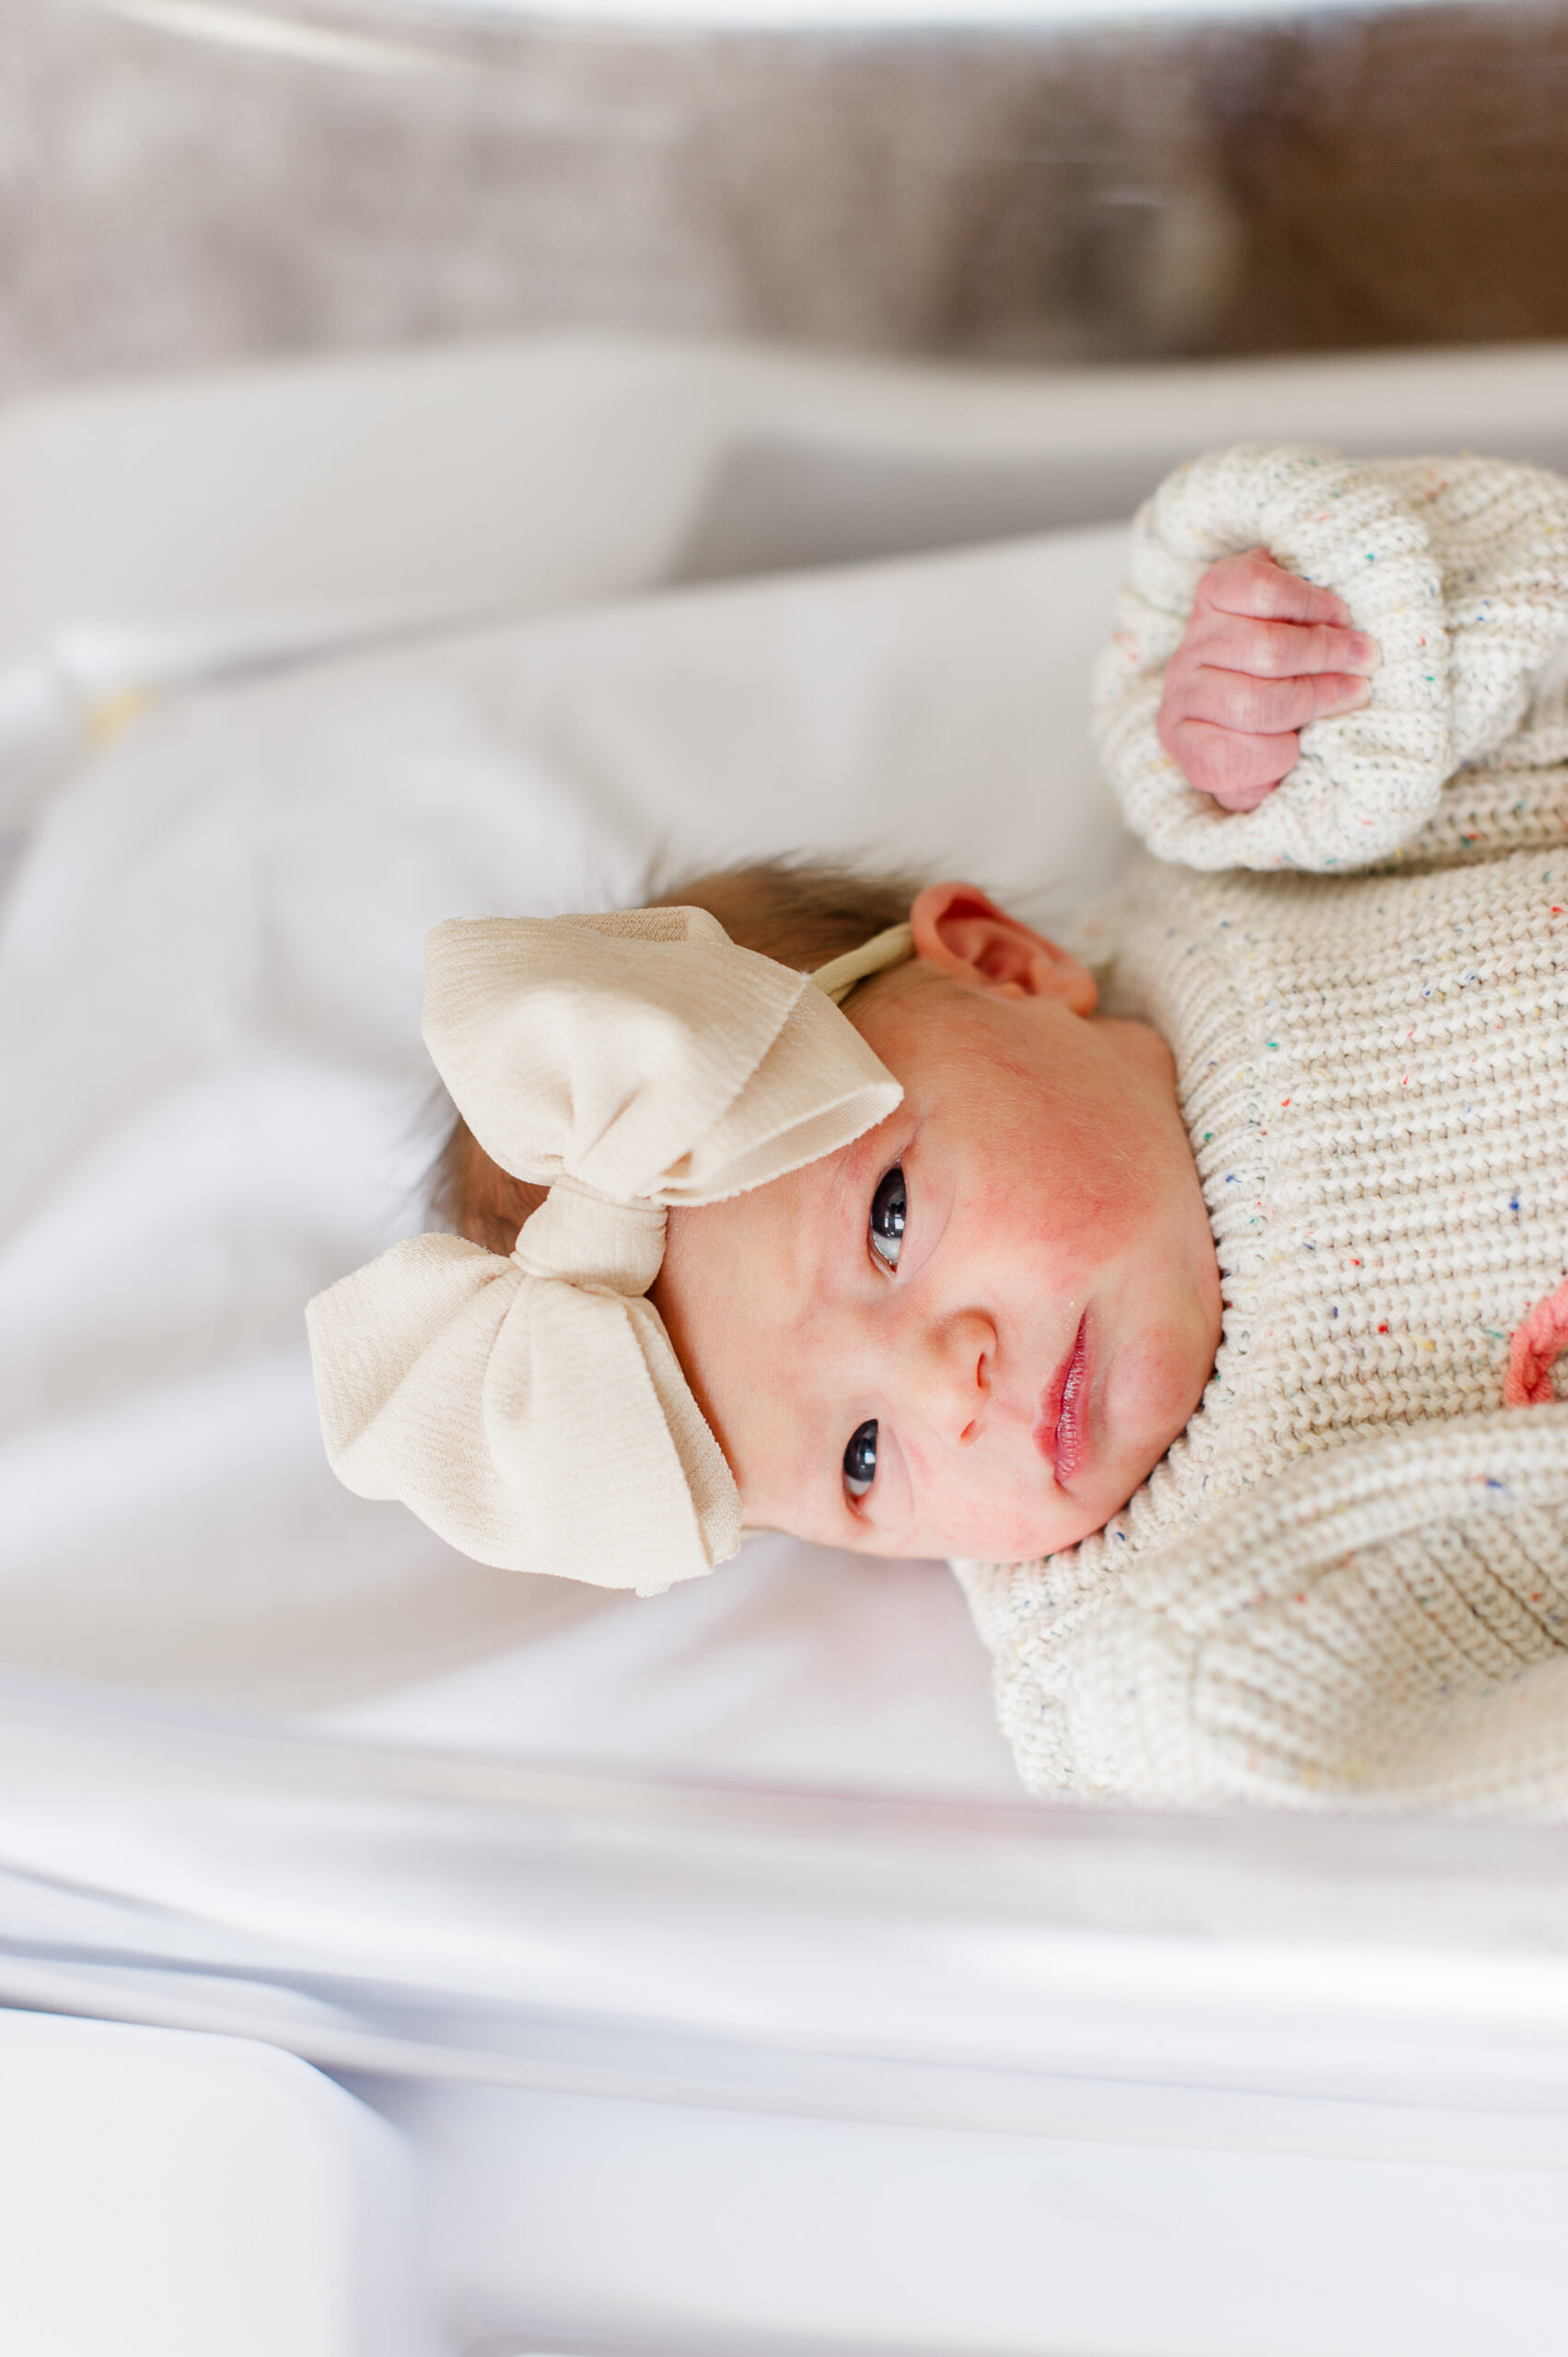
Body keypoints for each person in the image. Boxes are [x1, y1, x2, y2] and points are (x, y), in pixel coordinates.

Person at [309, 443, 1568, 1808]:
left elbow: (1520, 634)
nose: (945, 1387)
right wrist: (1181, 1725)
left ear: (1008, 967)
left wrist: (1309, 670)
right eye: (861, 1460)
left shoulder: (1266, 859)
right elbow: (1343, 1815)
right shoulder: (1141, 1616)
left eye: (890, 1222)